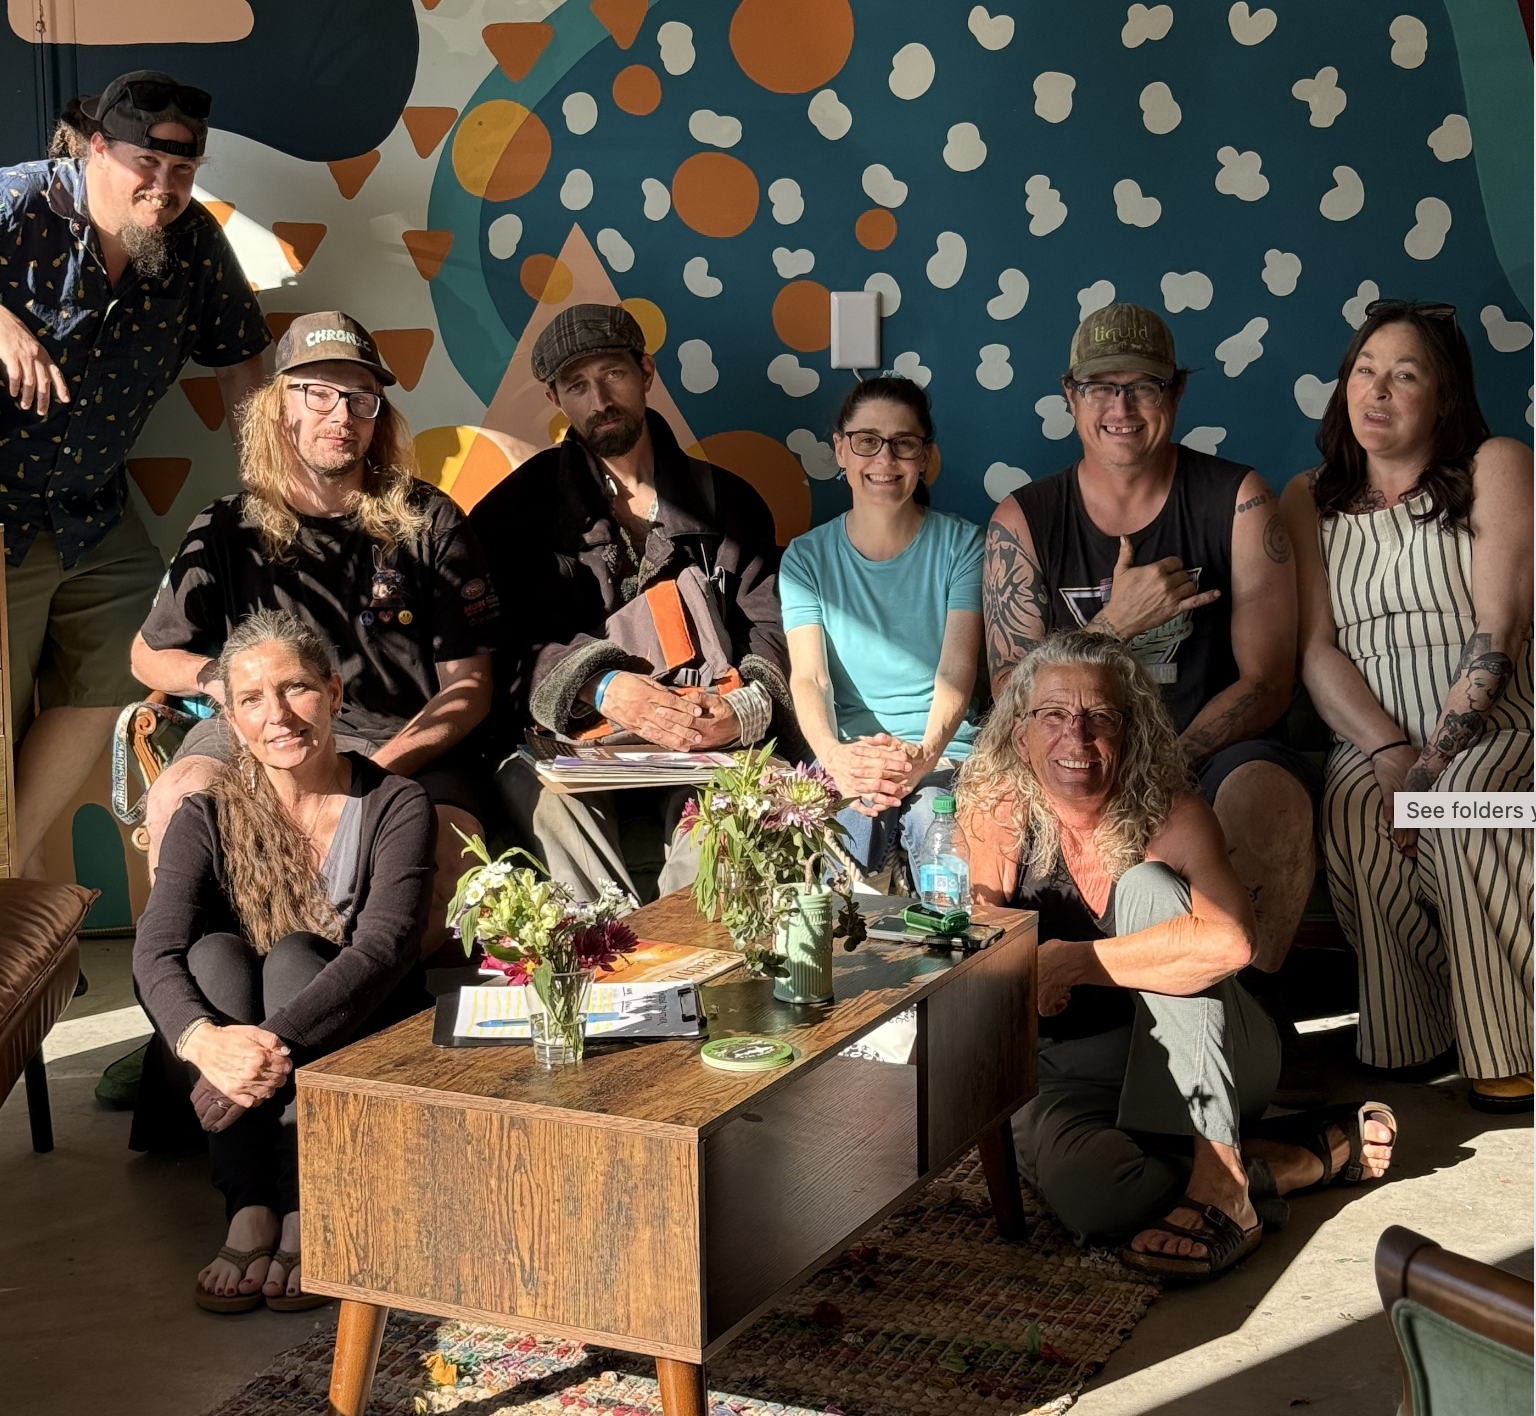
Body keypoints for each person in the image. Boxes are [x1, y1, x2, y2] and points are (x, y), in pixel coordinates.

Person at [959, 632, 1396, 1279]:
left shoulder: (1171, 813)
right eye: (1053, 715)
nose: (1074, 738)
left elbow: (1231, 942)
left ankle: (1221, 1174)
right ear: (1020, 733)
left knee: (1150, 888)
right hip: (1068, 1070)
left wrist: (1079, 963)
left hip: (1212, 1051)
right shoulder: (995, 814)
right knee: (1096, 1197)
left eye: (1099, 716)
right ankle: (1290, 1158)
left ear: (1130, 729)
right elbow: (983, 952)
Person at [130, 311, 497, 944]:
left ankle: (384, 1026)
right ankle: (197, 997)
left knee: (447, 866)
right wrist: (219, 682)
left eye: (360, 399)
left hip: (401, 741)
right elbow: (146, 655)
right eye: (318, 393)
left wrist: (371, 776)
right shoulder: (227, 526)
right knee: (179, 794)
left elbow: (469, 685)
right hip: (258, 734)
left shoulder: (428, 519)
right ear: (279, 407)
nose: (342, 414)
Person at [983, 302, 1316, 986]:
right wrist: (1112, 626)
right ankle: (1018, 1018)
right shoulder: (1024, 519)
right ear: (1070, 394)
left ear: (1177, 392)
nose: (1123, 407)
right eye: (1102, 386)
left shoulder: (1240, 501)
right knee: (982, 801)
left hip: (1209, 752)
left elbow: (1266, 682)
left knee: (1266, 790)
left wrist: (1166, 765)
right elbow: (1009, 695)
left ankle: (1245, 1012)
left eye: (1144, 386)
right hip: (1071, 758)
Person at [1, 70, 269, 880]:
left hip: (91, 509)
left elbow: (242, 369)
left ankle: (7, 882)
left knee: (128, 659)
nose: (164, 187)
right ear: (94, 149)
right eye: (144, 166)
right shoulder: (17, 204)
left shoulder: (191, 243)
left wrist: (271, 498)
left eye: (183, 171)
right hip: (2, 508)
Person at [133, 610, 435, 1312]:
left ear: (333, 691)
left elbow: (385, 949)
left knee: (299, 955)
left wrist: (264, 1051)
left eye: (296, 688)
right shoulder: (207, 815)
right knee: (210, 955)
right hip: (232, 1068)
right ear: (232, 719)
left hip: (361, 1038)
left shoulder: (395, 802)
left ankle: (309, 1207)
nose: (278, 715)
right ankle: (251, 1209)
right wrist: (203, 1042)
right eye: (252, 699)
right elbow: (154, 948)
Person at [1280, 300, 1533, 1112]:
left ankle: (1511, 1044)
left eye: (1405, 374)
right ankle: (1415, 1033)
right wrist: (1392, 756)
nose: (1377, 391)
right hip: (1372, 730)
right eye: (1364, 371)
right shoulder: (1308, 497)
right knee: (1354, 807)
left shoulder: (1497, 462)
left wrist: (1426, 770)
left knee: (1458, 809)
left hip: (1497, 723)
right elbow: (1315, 649)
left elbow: (1499, 633)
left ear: (1443, 395)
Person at [471, 303, 794, 900]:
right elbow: (497, 644)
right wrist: (598, 688)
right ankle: (607, 956)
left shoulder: (730, 503)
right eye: (577, 386)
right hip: (569, 746)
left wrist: (741, 711)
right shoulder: (515, 511)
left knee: (727, 822)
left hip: (706, 741)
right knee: (544, 809)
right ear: (554, 398)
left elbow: (770, 629)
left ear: (645, 371)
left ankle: (687, 966)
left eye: (613, 375)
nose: (599, 401)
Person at [781, 375, 983, 879]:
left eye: (904, 444)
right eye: (866, 441)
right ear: (840, 450)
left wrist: (921, 756)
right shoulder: (805, 558)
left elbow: (956, 669)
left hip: (945, 756)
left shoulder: (965, 546)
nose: (884, 460)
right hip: (851, 761)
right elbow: (810, 678)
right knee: (835, 854)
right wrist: (836, 760)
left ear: (925, 457)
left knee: (936, 834)